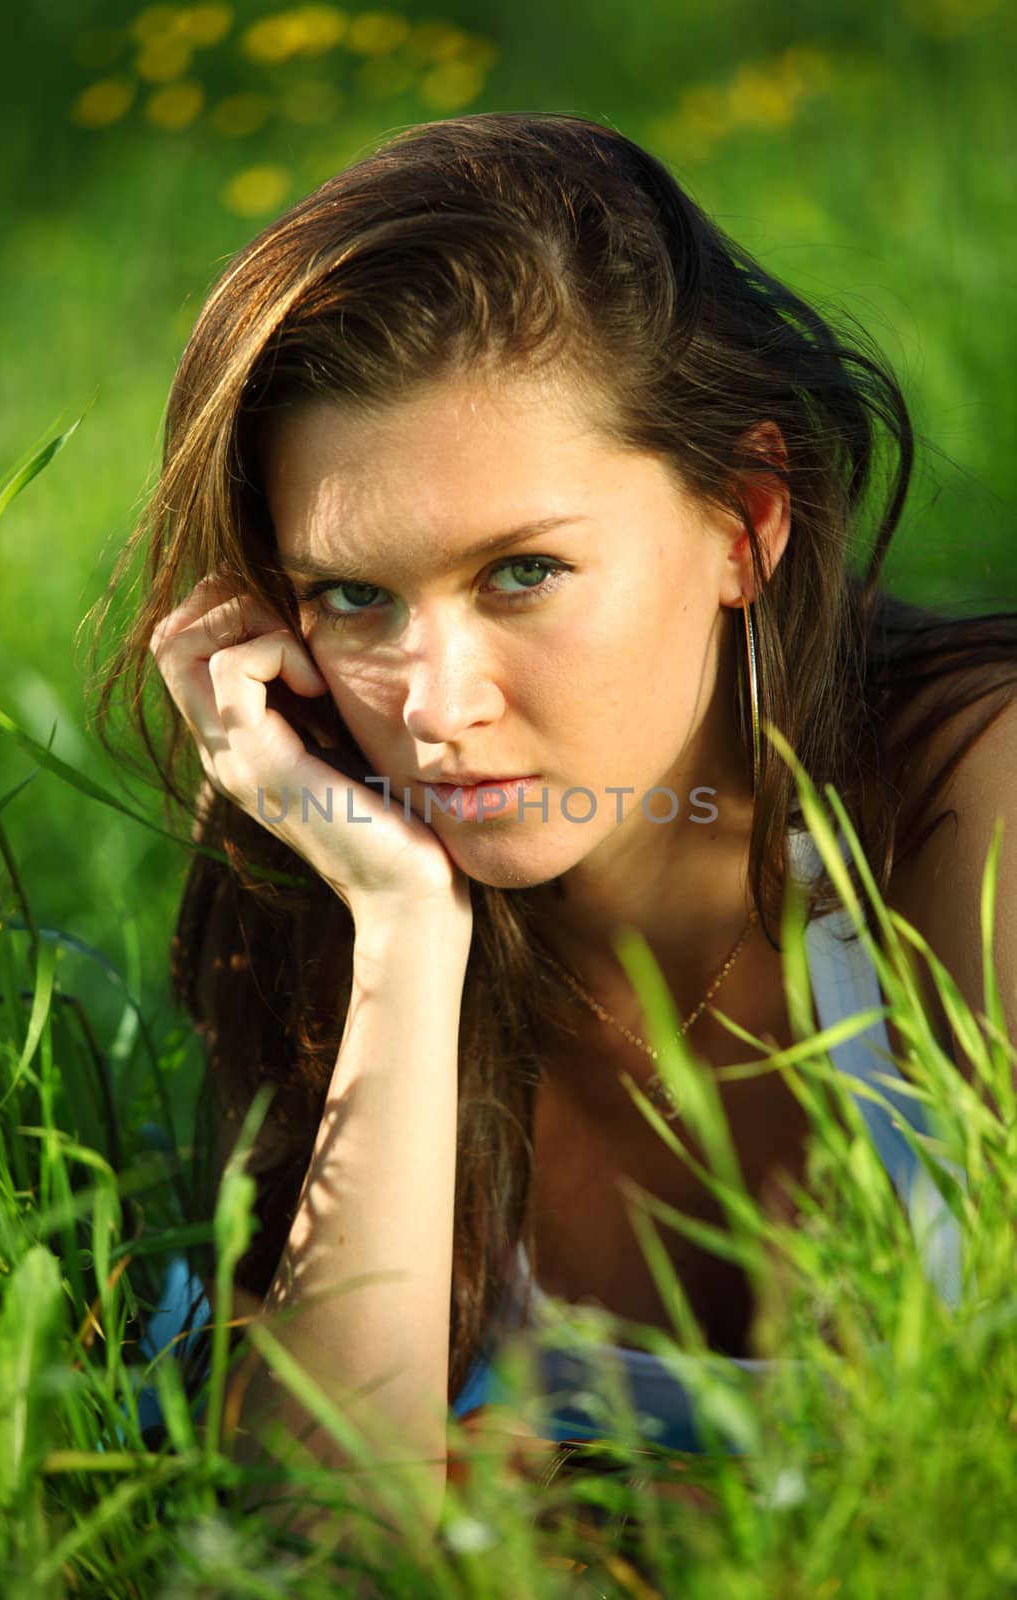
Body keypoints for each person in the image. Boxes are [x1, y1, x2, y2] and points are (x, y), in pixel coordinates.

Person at [89, 111, 1017, 1535]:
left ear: (744, 521)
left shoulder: (975, 797)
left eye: (522, 572)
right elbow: (321, 1542)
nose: (435, 703)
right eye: (353, 598)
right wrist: (400, 927)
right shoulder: (334, 900)